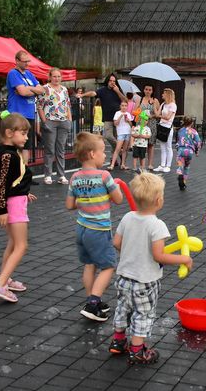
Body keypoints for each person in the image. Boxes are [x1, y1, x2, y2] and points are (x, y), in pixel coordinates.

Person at [109, 172, 193, 364]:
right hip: (145, 281)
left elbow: (116, 242)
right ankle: (137, 351)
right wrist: (183, 259)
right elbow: (158, 255)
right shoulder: (157, 225)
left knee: (123, 308)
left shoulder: (127, 217)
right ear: (159, 200)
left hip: (123, 278)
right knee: (142, 314)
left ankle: (118, 342)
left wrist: (131, 252)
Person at [0, 111, 37, 303]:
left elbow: (12, 179)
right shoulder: (7, 155)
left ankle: (5, 278)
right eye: (24, 134)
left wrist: (23, 191)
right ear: (10, 133)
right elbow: (1, 183)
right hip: (13, 204)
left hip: (16, 200)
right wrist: (1, 209)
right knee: (21, 245)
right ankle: (1, 284)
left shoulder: (7, 152)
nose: (26, 137)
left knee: (13, 243)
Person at [66, 132, 123, 321]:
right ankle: (93, 303)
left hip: (81, 229)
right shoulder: (104, 175)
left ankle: (92, 301)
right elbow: (118, 200)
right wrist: (116, 187)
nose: (105, 155)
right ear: (92, 154)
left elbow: (69, 205)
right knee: (108, 267)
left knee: (89, 265)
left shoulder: (74, 177)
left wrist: (85, 199)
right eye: (102, 152)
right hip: (98, 230)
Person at [6, 50, 45, 164]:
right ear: (17, 61)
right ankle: (15, 173)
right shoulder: (13, 73)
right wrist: (34, 90)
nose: (27, 64)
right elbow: (22, 92)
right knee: (15, 144)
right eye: (24, 61)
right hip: (17, 114)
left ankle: (24, 174)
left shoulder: (29, 74)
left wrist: (29, 89)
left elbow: (41, 90)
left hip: (29, 113)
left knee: (26, 146)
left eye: (28, 61)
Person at [37, 68, 72, 185]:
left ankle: (61, 175)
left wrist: (69, 120)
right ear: (50, 77)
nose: (57, 79)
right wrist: (44, 121)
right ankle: (48, 175)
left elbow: (67, 105)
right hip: (50, 121)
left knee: (61, 149)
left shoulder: (64, 89)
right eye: (54, 76)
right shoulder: (45, 89)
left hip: (63, 121)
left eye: (59, 76)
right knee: (49, 149)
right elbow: (40, 106)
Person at [78, 73, 125, 156]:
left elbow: (125, 101)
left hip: (118, 118)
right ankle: (119, 147)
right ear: (107, 81)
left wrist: (117, 91)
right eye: (110, 81)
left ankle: (115, 161)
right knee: (108, 136)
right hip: (107, 118)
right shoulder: (103, 90)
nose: (112, 82)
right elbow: (93, 93)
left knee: (116, 138)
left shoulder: (118, 90)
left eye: (114, 81)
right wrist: (82, 95)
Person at [153, 88, 177, 173]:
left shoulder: (173, 105)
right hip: (161, 126)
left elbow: (168, 117)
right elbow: (157, 114)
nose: (162, 95)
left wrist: (159, 116)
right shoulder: (163, 104)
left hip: (168, 127)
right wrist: (154, 104)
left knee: (168, 146)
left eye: (163, 93)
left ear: (168, 94)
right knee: (162, 147)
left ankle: (168, 165)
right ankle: (162, 165)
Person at [176, 116, 201, 190]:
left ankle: (180, 174)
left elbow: (178, 140)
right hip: (189, 151)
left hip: (181, 150)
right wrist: (197, 151)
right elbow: (198, 142)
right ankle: (184, 183)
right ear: (192, 123)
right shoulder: (194, 131)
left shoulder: (180, 130)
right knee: (186, 167)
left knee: (180, 165)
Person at [140, 85, 160, 170]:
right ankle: (142, 164)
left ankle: (150, 164)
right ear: (144, 90)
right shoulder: (140, 99)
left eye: (150, 90)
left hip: (152, 123)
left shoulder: (155, 100)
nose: (148, 91)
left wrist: (151, 115)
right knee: (141, 144)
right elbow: (135, 111)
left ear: (152, 91)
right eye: (146, 89)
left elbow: (158, 114)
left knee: (151, 144)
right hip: (142, 123)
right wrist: (142, 115)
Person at [108, 99, 133, 170]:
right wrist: (120, 117)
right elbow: (115, 123)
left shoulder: (128, 114)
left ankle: (123, 164)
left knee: (125, 150)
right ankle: (112, 165)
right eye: (122, 105)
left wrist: (128, 120)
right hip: (121, 133)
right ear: (120, 106)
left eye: (125, 106)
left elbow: (131, 125)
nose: (124, 107)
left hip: (127, 132)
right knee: (117, 149)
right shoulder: (117, 113)